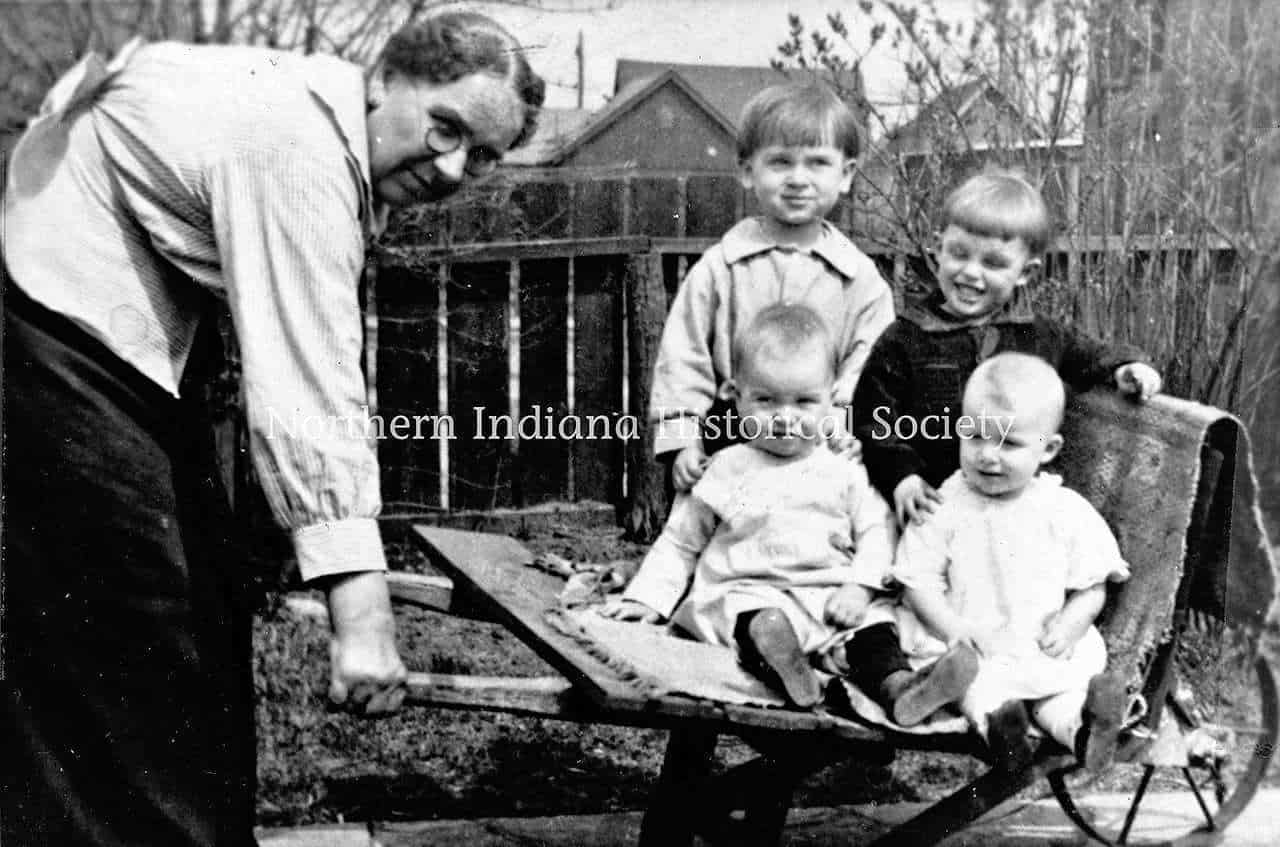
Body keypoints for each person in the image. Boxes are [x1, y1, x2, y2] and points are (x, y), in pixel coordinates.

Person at [1, 9, 543, 846]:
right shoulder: (298, 149)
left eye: (481, 156)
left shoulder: (327, 138)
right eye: (446, 127)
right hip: (55, 324)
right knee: (143, 627)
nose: (452, 166)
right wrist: (360, 619)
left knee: (196, 603)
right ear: (386, 82)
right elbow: (309, 386)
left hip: (105, 326)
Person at [602, 304, 894, 707]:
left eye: (804, 402)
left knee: (877, 628)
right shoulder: (727, 467)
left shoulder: (844, 469)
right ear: (736, 398)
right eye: (766, 400)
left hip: (827, 598)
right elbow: (681, 541)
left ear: (831, 400)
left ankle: (900, 687)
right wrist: (647, 598)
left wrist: (860, 588)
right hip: (748, 591)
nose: (784, 417)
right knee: (752, 617)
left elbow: (877, 532)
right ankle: (786, 664)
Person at [851, 169, 1163, 526]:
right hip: (933, 505)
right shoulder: (905, 338)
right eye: (959, 254)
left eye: (993, 263)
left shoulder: (1038, 335)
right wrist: (901, 476)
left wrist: (1127, 368)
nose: (971, 273)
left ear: (1026, 273)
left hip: (1015, 505)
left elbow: (1093, 356)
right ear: (938, 250)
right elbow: (872, 418)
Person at [888, 353, 1131, 771]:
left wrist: (1072, 623)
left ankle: (1085, 730)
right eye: (976, 436)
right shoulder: (945, 504)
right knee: (974, 687)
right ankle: (1004, 732)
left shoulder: (1064, 509)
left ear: (1048, 449)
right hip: (972, 645)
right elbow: (917, 582)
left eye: (1009, 443)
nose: (988, 456)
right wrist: (954, 630)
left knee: (1061, 696)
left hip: (1043, 645)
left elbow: (1093, 583)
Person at [649, 82, 894, 492]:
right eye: (780, 162)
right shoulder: (719, 269)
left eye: (817, 163)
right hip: (731, 436)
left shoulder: (860, 280)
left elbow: (869, 362)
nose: (798, 179)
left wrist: (843, 421)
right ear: (748, 171)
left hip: (823, 439)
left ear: (846, 175)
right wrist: (683, 439)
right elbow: (683, 358)